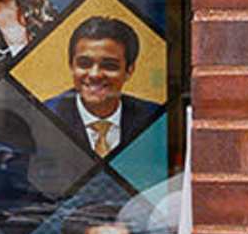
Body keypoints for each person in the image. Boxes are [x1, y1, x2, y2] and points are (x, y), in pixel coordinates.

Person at [55, 12, 166, 168]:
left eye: (109, 66)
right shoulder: (45, 118)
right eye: (84, 63)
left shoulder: (155, 121)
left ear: (129, 70)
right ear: (71, 66)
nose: (95, 74)